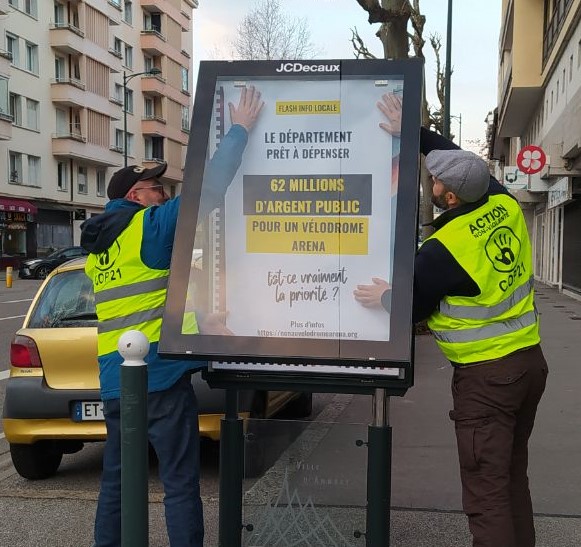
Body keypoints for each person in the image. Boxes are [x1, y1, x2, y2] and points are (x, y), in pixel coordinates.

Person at [354, 103, 548, 547]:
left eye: (437, 181)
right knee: (511, 477)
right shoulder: (504, 203)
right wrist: (416, 133)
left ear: (451, 198)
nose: (433, 181)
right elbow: (461, 158)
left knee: (486, 494)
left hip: (488, 380)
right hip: (530, 364)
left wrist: (383, 295)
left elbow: (412, 308)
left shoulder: (444, 249)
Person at [81, 86, 264, 547]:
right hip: (160, 378)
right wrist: (239, 129)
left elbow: (148, 300)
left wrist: (202, 319)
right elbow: (208, 191)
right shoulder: (148, 225)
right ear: (136, 194)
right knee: (180, 482)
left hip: (115, 377)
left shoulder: (100, 247)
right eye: (157, 188)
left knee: (117, 483)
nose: (164, 194)